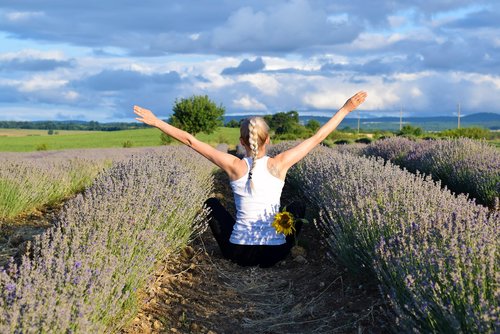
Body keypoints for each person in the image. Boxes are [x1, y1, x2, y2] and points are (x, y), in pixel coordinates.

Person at [134, 91, 367, 267]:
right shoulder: (280, 163)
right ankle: (285, 245)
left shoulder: (233, 165)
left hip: (237, 254)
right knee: (297, 206)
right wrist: (346, 108)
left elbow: (191, 141)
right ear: (268, 140)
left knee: (213, 204)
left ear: (242, 142)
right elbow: (318, 137)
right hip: (273, 255)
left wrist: (156, 121)